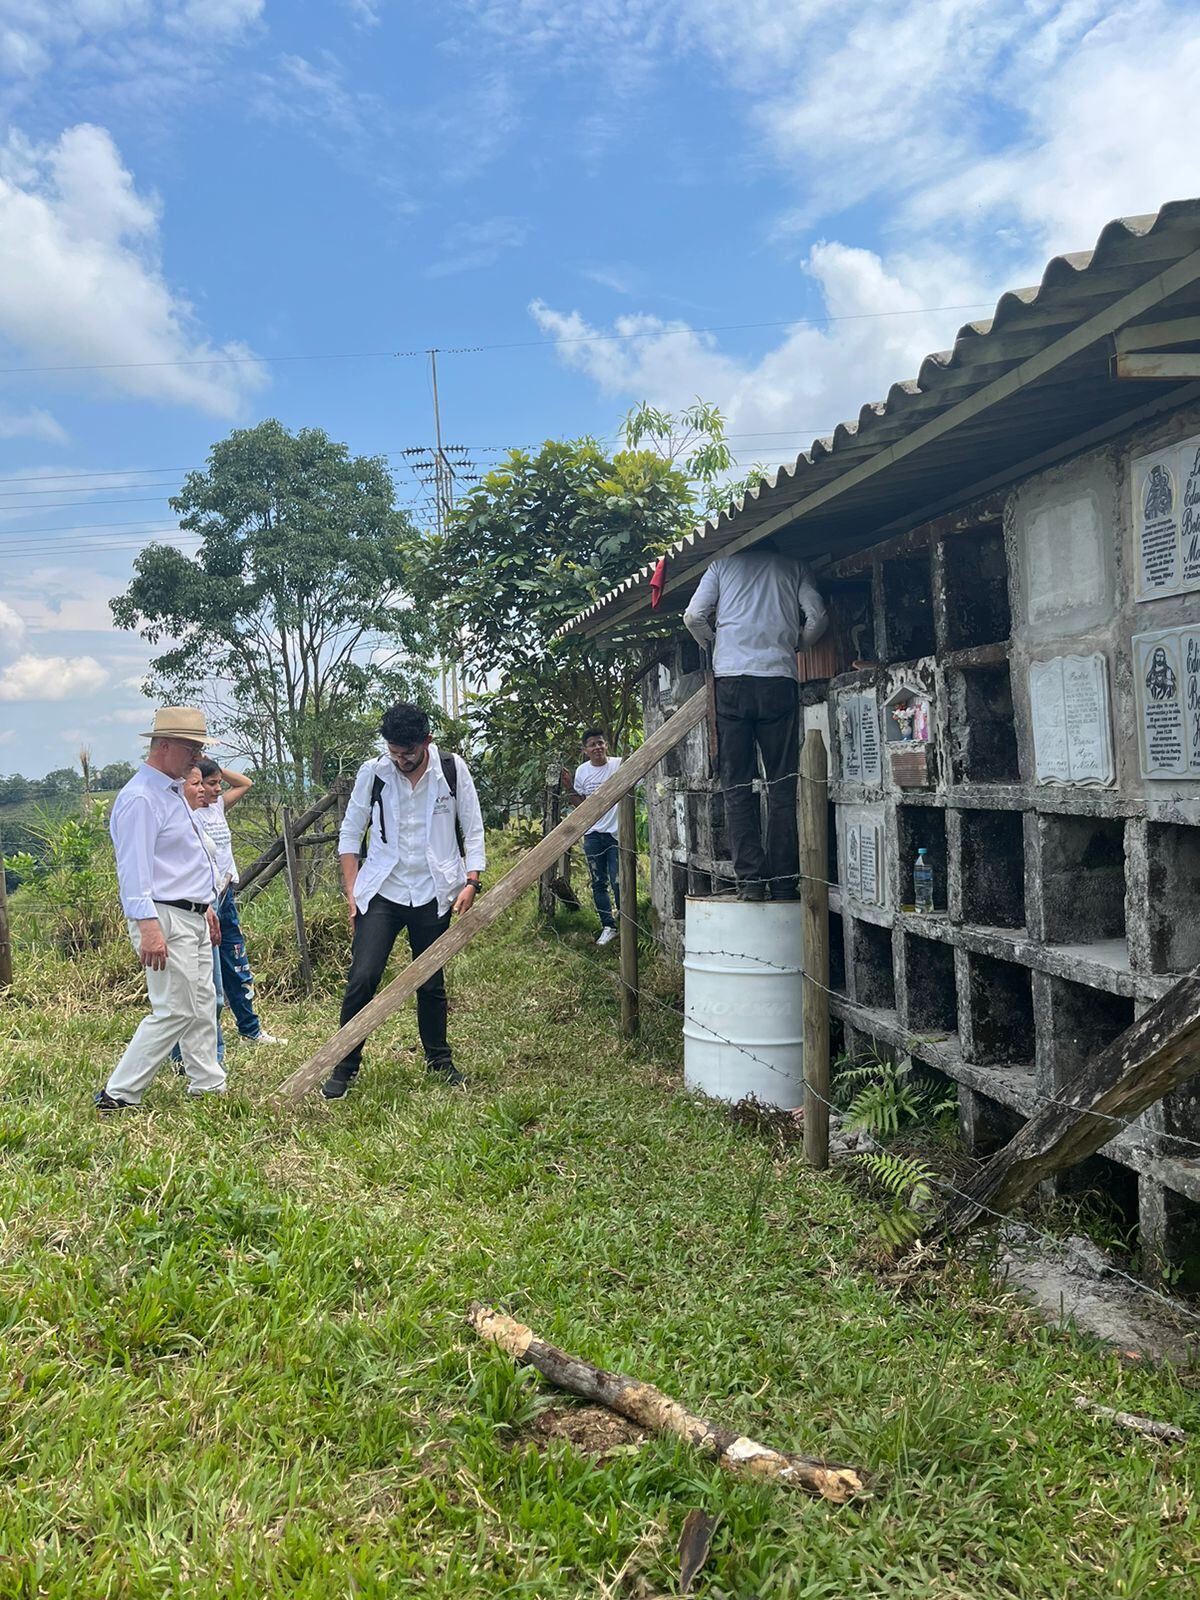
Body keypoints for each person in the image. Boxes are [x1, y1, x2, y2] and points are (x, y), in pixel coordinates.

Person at [322, 702, 486, 1100]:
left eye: (408, 752)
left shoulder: (451, 769)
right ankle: (344, 1065)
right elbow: (350, 834)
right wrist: (352, 892)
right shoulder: (373, 773)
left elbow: (473, 826)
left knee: (430, 980)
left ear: (426, 741)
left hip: (434, 890)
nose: (401, 760)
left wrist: (472, 881)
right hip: (383, 890)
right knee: (363, 976)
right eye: (394, 752)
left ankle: (439, 1061)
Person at [683, 539, 828, 901]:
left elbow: (693, 616)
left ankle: (750, 882)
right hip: (778, 679)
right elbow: (818, 618)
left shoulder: (721, 566)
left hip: (731, 681)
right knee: (781, 785)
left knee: (737, 785)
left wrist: (714, 642)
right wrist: (799, 644)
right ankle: (783, 882)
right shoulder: (795, 567)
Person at [96, 707, 225, 1109]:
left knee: (201, 1002)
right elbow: (133, 870)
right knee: (175, 1009)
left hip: (190, 913)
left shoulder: (171, 793)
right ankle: (120, 1092)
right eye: (191, 749)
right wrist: (148, 927)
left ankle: (207, 1082)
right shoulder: (141, 798)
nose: (197, 758)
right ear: (164, 745)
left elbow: (180, 860)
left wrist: (204, 904)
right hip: (164, 915)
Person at [191, 757, 286, 1047]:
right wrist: (198, 770)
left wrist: (212, 767)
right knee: (206, 975)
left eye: (219, 783)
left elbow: (245, 783)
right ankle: (203, 1042)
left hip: (225, 895)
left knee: (236, 963)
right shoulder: (189, 813)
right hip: (203, 899)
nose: (217, 789)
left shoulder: (218, 806)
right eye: (210, 784)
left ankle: (250, 1030)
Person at [561, 728, 623, 947]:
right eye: (592, 745)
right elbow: (581, 805)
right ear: (585, 750)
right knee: (598, 882)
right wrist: (569, 787)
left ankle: (626, 921)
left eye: (600, 743)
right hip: (593, 834)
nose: (597, 747)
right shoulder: (583, 771)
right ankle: (608, 926)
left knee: (619, 881)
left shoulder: (619, 765)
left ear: (606, 745)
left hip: (616, 834)